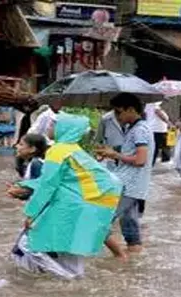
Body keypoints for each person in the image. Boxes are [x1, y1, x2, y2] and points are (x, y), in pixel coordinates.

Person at [8, 114, 122, 279]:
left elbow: (48, 185)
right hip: (89, 206)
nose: (49, 127)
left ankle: (68, 280)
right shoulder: (74, 149)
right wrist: (25, 185)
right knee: (72, 251)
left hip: (72, 206)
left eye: (54, 125)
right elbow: (57, 180)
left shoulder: (58, 150)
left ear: (65, 128)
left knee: (28, 244)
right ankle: (75, 281)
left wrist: (31, 214)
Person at [95, 93, 155, 255]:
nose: (116, 116)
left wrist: (115, 155)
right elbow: (132, 152)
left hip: (128, 184)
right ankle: (132, 260)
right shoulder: (134, 128)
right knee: (129, 225)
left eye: (118, 112)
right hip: (130, 183)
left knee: (100, 220)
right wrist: (112, 152)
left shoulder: (140, 130)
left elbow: (140, 159)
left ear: (130, 109)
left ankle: (120, 257)